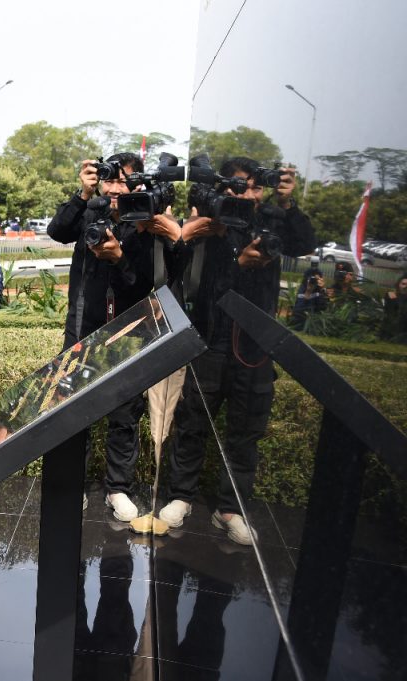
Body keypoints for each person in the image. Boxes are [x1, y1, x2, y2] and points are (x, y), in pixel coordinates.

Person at [158, 157, 316, 545]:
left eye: (256, 186)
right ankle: (181, 497)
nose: (249, 193)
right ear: (225, 186)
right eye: (241, 185)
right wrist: (238, 262)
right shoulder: (214, 222)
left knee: (246, 433)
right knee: (193, 423)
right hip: (212, 338)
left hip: (256, 345)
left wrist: (288, 201)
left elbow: (305, 243)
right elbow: (195, 277)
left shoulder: (273, 220)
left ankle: (230, 509)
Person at [47, 153, 183, 521]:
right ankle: (75, 485)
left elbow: (143, 285)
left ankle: (117, 489)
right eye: (109, 179)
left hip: (129, 332)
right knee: (75, 413)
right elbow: (57, 231)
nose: (115, 188)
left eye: (124, 181)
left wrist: (120, 255)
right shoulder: (91, 211)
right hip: (83, 331)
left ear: (137, 184)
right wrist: (82, 194)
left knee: (125, 414)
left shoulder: (146, 223)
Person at [382, 272, 407, 342]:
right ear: (398, 284)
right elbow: (389, 312)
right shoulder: (391, 295)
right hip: (389, 330)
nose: (405, 286)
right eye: (403, 284)